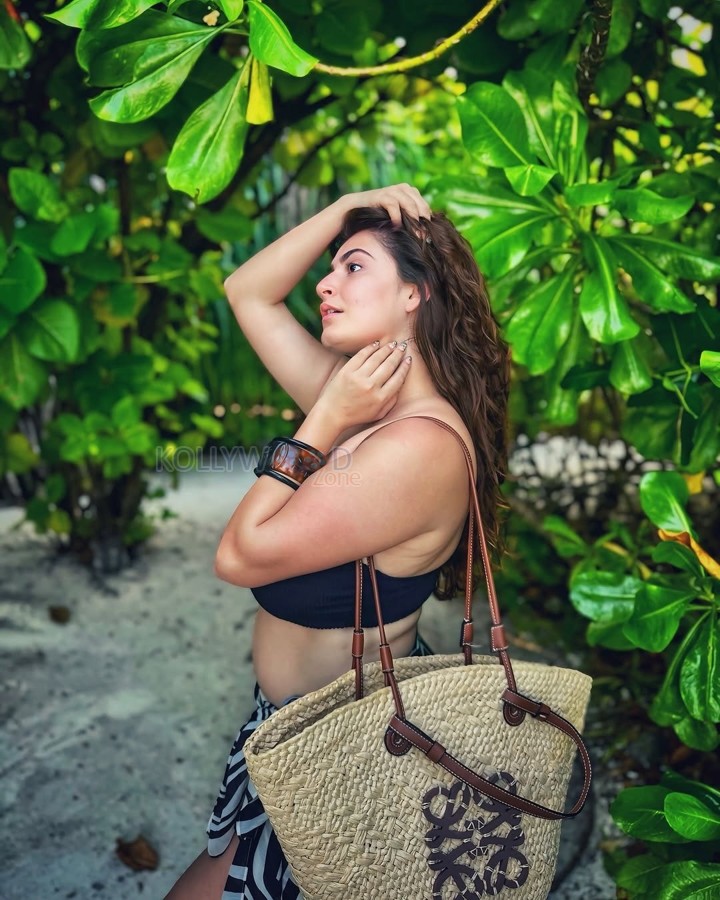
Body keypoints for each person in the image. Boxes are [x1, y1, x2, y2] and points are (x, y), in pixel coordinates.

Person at [164, 183, 510, 899]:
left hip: (340, 754)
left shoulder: (417, 445)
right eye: (332, 266)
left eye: (352, 266)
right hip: (288, 734)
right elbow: (247, 290)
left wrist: (321, 418)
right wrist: (352, 204)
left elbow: (239, 555)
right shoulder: (374, 411)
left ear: (416, 294)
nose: (324, 282)